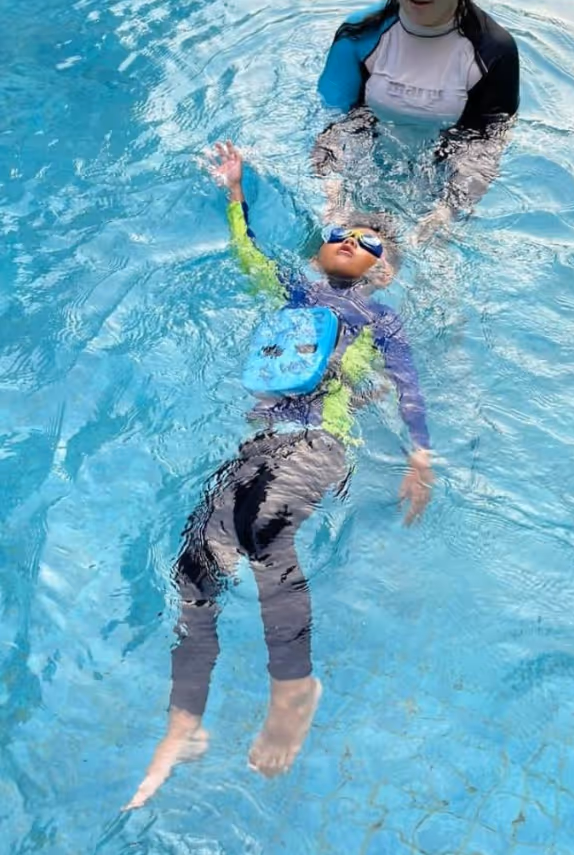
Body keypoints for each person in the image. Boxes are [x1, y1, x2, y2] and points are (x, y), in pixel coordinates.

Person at [125, 142, 434, 809]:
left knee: (266, 531)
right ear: (320, 250)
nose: (353, 242)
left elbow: (408, 382)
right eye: (342, 234)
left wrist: (420, 453)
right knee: (194, 566)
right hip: (261, 443)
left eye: (372, 243)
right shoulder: (295, 293)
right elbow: (250, 257)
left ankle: (294, 687)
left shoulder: (379, 317)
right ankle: (185, 721)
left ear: (383, 274)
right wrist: (235, 198)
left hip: (323, 443)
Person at [315, 0, 520, 238]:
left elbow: (488, 141)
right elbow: (332, 116)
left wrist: (448, 210)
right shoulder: (360, 31)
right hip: (359, 162)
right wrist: (331, 181)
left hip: (441, 179)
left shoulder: (495, 51)